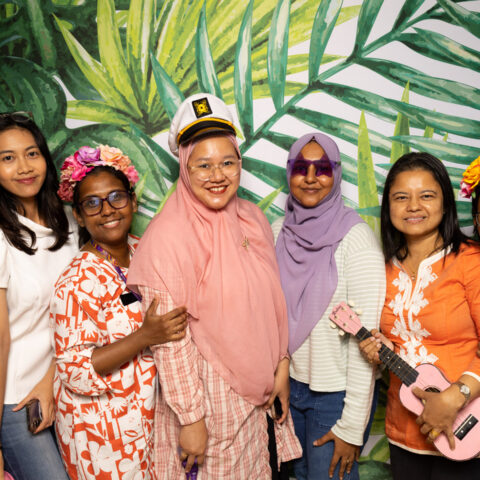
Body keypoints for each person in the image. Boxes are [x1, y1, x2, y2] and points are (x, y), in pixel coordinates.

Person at [127, 93, 301, 479]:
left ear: (240, 163)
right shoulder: (168, 237)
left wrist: (281, 366)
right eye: (203, 165)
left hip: (259, 399)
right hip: (210, 400)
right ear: (184, 167)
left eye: (227, 162)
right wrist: (191, 419)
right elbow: (170, 342)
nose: (217, 175)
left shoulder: (252, 219)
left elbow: (271, 303)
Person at [51, 145, 188, 479]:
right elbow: (73, 368)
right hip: (100, 429)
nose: (107, 210)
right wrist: (144, 336)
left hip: (148, 417)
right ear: (79, 216)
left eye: (116, 197)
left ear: (133, 202)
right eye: (92, 203)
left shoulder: (145, 250)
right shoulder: (75, 281)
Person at [272, 133, 385, 480]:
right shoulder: (277, 233)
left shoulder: (356, 239)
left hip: (336, 396)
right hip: (288, 388)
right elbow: (271, 318)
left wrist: (351, 427)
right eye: (300, 168)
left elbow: (367, 343)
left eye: (321, 168)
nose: (310, 178)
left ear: (336, 174)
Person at [359, 152, 480, 479]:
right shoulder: (381, 269)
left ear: (446, 204)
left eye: (426, 196)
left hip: (469, 430)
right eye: (401, 197)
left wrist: (456, 397)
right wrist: (382, 350)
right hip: (404, 433)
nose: (413, 206)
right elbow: (400, 342)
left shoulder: (471, 262)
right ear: (388, 207)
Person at [0, 112, 77, 480]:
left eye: (32, 153)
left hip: (66, 385)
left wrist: (51, 381)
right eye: (7, 158)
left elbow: (82, 318)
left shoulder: (72, 222)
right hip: (13, 399)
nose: (24, 167)